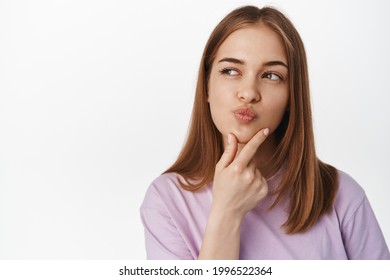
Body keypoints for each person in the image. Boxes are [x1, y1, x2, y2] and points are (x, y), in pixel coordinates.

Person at [140, 5, 390, 259]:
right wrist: (227, 213)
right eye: (231, 71)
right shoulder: (166, 201)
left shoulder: (341, 195)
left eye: (271, 75)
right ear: (206, 85)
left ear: (292, 95)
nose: (248, 92)